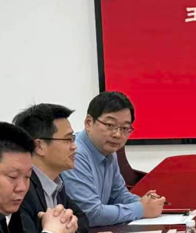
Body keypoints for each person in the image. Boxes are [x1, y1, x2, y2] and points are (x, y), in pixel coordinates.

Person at [13, 103, 125, 233]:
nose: (74, 147)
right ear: (39, 146)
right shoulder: (20, 190)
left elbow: (82, 219)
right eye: (68, 139)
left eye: (73, 139)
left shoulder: (55, 182)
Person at [61, 91, 165, 226]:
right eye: (110, 125)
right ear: (88, 123)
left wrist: (146, 203)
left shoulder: (109, 151)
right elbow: (90, 214)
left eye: (125, 128)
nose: (117, 134)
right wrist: (141, 209)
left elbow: (118, 195)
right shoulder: (74, 153)